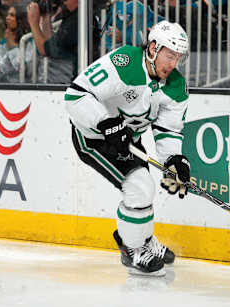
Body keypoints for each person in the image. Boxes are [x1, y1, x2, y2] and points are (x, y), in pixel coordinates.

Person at [64, 20, 191, 277]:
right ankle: (132, 249)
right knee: (140, 187)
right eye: (169, 55)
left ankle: (141, 240)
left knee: (143, 189)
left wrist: (174, 159)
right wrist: (106, 123)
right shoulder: (125, 62)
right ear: (153, 48)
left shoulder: (176, 86)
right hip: (93, 136)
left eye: (178, 57)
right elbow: (75, 95)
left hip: (127, 139)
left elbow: (168, 129)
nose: (173, 64)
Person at [27, 0, 79, 83]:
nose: (63, 3)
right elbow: (51, 43)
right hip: (63, 78)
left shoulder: (77, 21)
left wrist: (33, 22)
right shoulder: (71, 17)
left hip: (70, 81)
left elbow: (45, 50)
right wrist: (46, 16)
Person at [0, 3, 34, 82]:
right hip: (5, 84)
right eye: (8, 15)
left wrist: (12, 47)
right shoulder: (4, 41)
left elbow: (25, 70)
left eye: (12, 15)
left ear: (21, 19)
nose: (7, 18)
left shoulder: (30, 41)